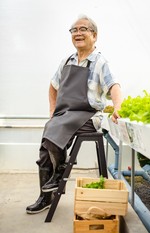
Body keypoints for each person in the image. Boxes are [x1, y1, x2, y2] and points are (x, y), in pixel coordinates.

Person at [26, 15, 123, 214]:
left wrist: (117, 107)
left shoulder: (99, 62)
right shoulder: (67, 61)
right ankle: (46, 196)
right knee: (46, 144)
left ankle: (60, 170)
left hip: (88, 115)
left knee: (52, 130)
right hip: (65, 114)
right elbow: (53, 86)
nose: (78, 33)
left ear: (94, 35)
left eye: (83, 29)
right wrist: (52, 110)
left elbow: (114, 85)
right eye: (74, 30)